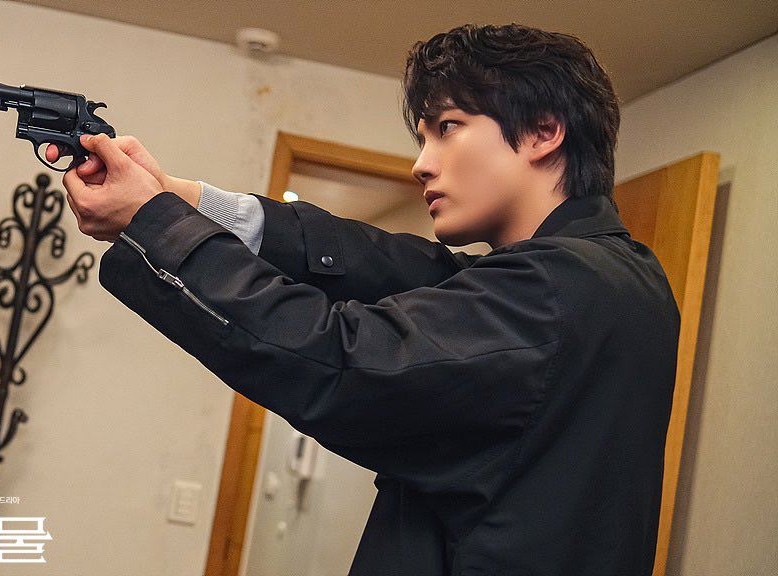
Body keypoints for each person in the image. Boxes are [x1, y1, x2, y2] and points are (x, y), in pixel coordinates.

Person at [53, 23, 680, 576]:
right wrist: (183, 200)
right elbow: (392, 265)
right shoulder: (616, 276)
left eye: (448, 129)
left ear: (544, 131)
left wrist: (156, 222)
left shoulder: (553, 289)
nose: (421, 164)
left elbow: (335, 358)